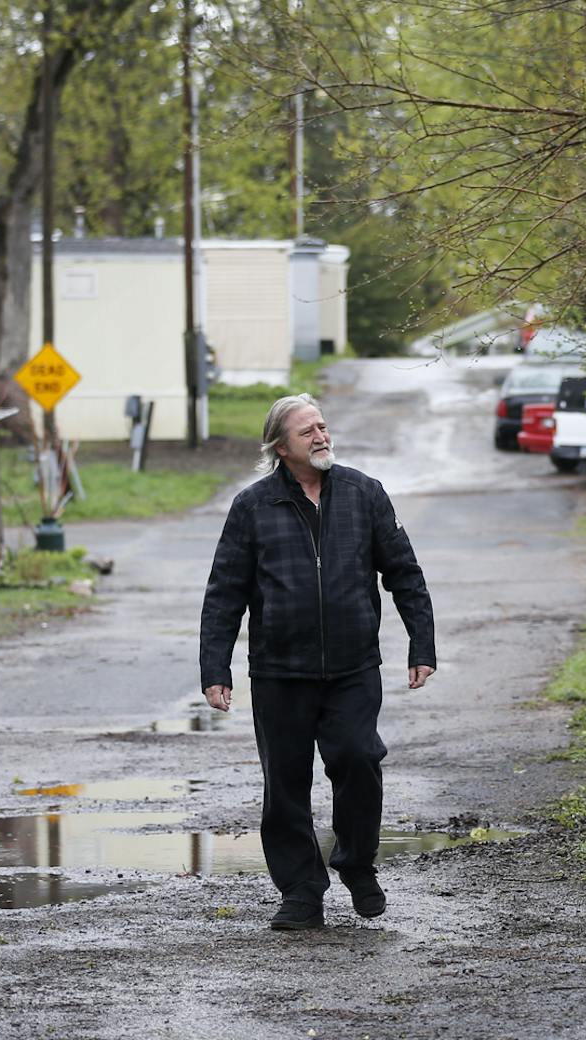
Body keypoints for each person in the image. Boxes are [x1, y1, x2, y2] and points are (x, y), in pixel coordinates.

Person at [200, 393, 437, 931]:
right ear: (281, 447)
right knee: (285, 785)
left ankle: (356, 863)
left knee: (358, 760)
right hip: (281, 672)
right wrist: (216, 669)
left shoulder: (364, 494)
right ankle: (302, 891)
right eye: (307, 431)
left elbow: (404, 573)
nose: (321, 437)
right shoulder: (253, 506)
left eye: (323, 427)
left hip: (354, 667)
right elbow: (224, 593)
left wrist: (421, 645)